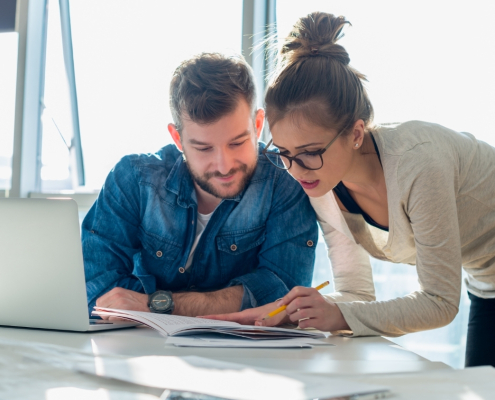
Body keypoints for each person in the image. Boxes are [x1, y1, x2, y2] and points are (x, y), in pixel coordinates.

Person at [204, 12, 495, 367]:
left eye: (311, 152)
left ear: (356, 134)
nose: (296, 170)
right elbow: (356, 292)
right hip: (488, 281)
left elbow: (439, 302)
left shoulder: (419, 164)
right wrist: (305, 312)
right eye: (284, 154)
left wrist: (338, 316)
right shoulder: (322, 182)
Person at [82, 52, 318, 318]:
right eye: (204, 148)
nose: (224, 165)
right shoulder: (134, 180)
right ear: (178, 138)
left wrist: (156, 304)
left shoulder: (284, 183)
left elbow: (284, 295)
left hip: (248, 354)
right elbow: (97, 289)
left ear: (258, 124)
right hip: (139, 348)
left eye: (237, 143)